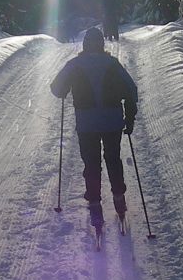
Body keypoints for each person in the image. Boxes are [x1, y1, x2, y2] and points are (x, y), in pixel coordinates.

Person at [50, 27, 138, 230]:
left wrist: (66, 90)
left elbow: (56, 89)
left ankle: (95, 204)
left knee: (91, 163)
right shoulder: (112, 64)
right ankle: (119, 198)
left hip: (86, 124)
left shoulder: (74, 65)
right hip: (112, 122)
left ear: (84, 45)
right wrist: (130, 117)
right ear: (102, 44)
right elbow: (131, 90)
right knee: (113, 159)